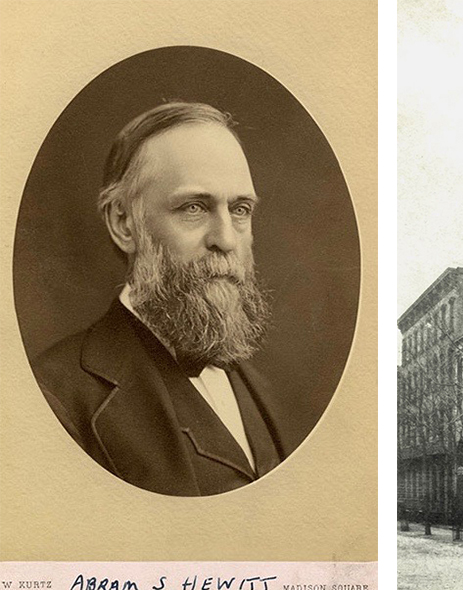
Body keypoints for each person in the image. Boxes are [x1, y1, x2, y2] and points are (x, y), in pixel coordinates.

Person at [33, 102, 292, 496]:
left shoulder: (259, 386)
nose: (225, 239)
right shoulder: (53, 398)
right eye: (194, 207)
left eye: (240, 209)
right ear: (124, 223)